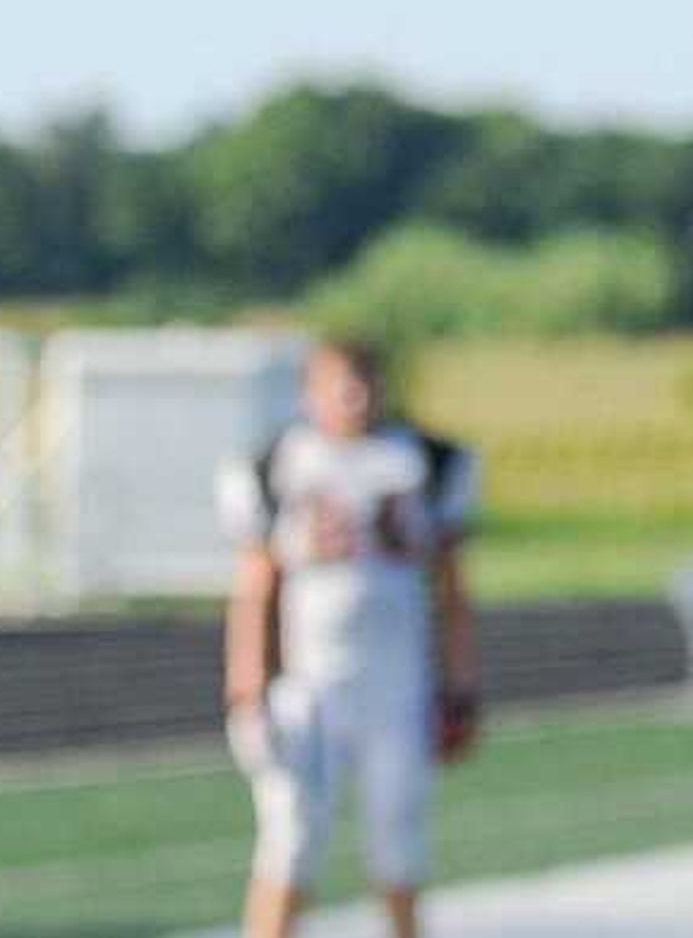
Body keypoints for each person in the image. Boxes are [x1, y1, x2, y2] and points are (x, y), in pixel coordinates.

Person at [218, 335, 483, 938]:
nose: (357, 396)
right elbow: (255, 586)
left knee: (399, 845)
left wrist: (461, 687)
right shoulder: (277, 464)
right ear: (310, 392)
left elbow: (452, 588)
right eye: (343, 382)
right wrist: (246, 689)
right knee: (290, 841)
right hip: (307, 687)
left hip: (396, 687)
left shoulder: (423, 461)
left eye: (367, 380)